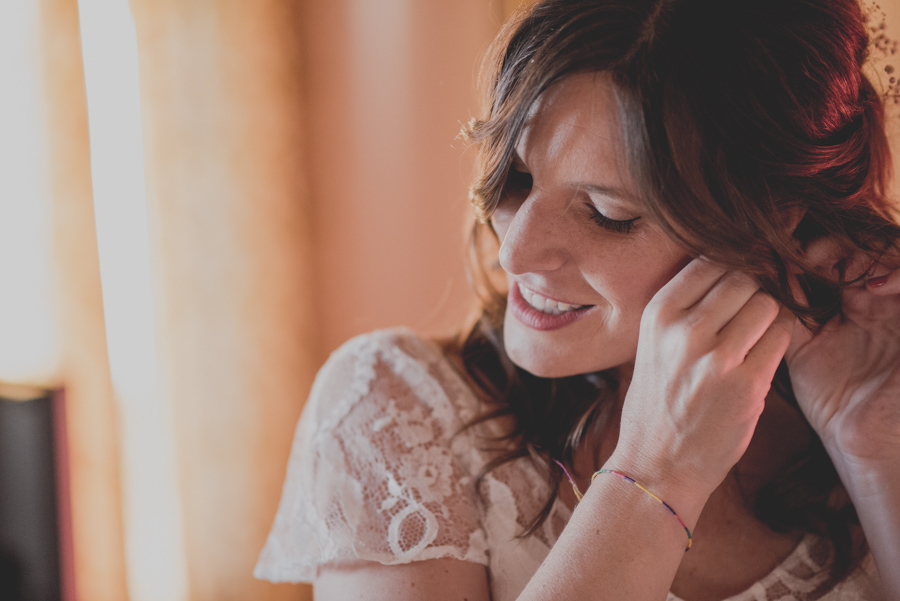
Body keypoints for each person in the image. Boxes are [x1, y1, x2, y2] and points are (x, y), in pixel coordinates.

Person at [255, 0, 900, 599]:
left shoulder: (866, 409)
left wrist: (873, 448)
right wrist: (655, 471)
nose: (516, 252)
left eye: (604, 213)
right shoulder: (394, 411)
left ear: (773, 220)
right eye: (520, 175)